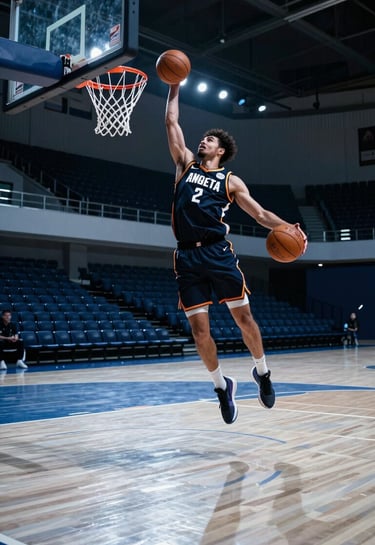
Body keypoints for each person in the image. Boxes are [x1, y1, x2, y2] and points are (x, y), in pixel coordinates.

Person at [165, 83, 307, 424]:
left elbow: (259, 215)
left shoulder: (230, 181)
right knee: (200, 333)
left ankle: (263, 372)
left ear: (221, 150)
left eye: (210, 140)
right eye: (202, 139)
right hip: (187, 257)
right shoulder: (185, 164)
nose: (203, 142)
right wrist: (174, 86)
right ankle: (221, 387)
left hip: (217, 254)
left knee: (244, 320)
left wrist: (290, 228)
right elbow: (171, 123)